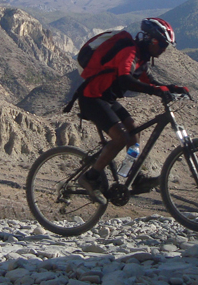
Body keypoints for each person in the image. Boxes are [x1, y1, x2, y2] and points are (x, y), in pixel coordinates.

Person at [76, 17, 188, 204]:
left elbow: (149, 81)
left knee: (133, 134)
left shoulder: (141, 58)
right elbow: (125, 80)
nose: (163, 49)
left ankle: (131, 177)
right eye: (161, 44)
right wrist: (155, 91)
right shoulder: (130, 53)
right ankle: (90, 177)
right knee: (120, 138)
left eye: (165, 46)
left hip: (105, 98)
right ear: (151, 40)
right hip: (91, 98)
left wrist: (173, 88)